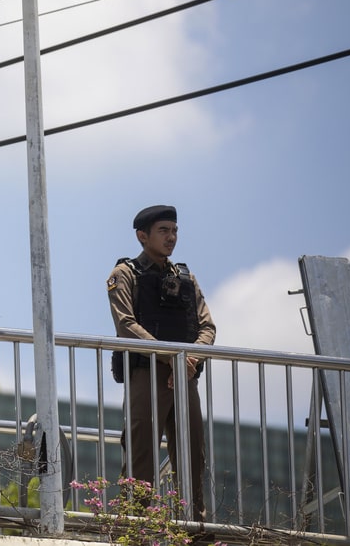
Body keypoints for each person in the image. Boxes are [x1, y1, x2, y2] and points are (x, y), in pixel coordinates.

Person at [106, 204, 216, 519]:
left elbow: (207, 327)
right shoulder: (124, 274)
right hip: (148, 374)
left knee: (193, 456)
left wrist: (189, 358)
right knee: (141, 457)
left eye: (175, 230)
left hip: (184, 376)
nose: (171, 237)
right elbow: (126, 325)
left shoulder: (186, 278)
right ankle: (138, 530)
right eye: (163, 231)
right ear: (143, 236)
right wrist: (173, 357)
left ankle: (194, 529)